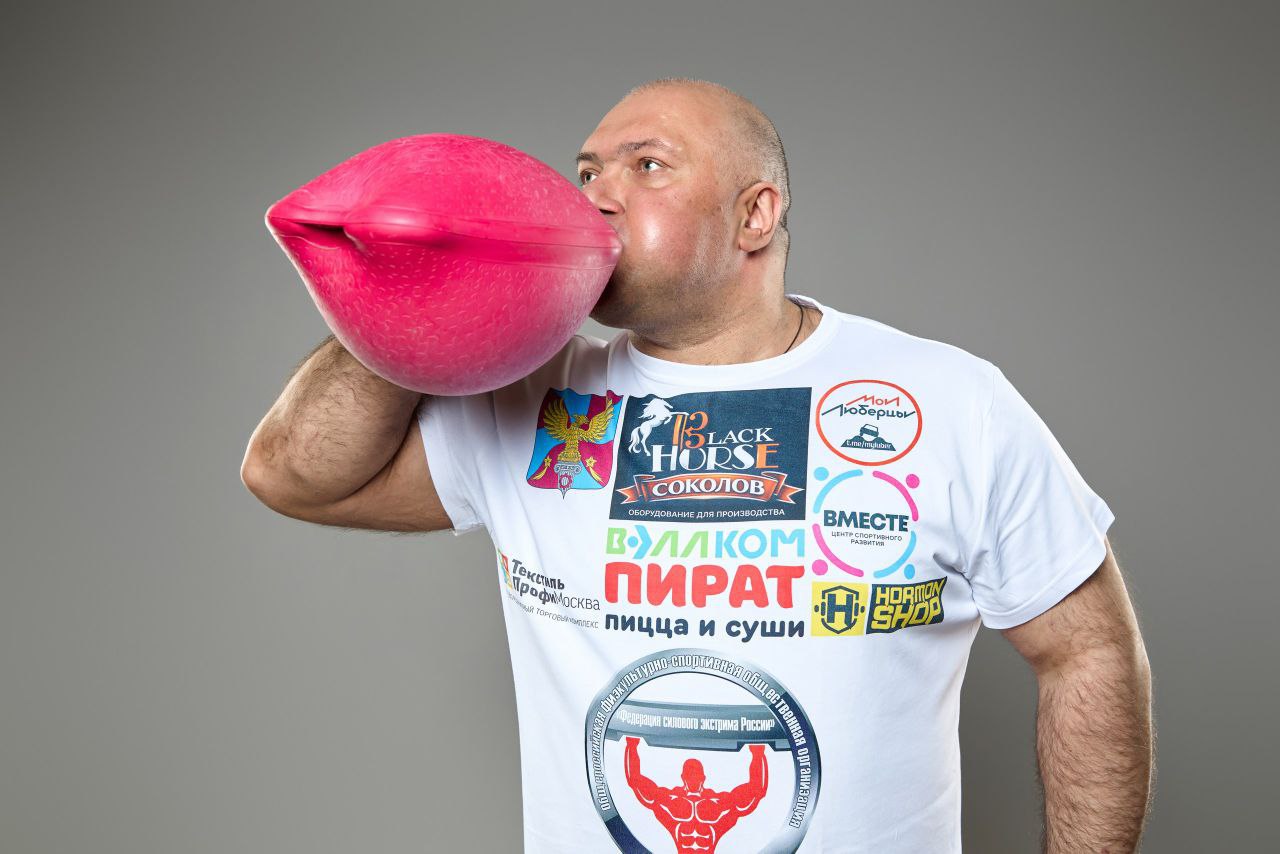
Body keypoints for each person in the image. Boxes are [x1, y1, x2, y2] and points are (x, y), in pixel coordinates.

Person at [241, 77, 1153, 852]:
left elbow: (1087, 651)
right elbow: (292, 474)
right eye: (586, 172)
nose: (594, 197)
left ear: (755, 214)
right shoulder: (530, 396)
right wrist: (410, 294)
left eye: (646, 166)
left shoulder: (946, 399)